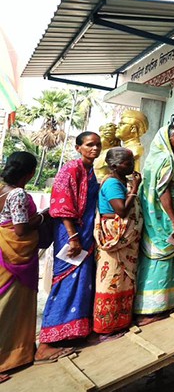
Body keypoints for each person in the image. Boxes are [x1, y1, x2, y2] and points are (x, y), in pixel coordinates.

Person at [38, 132, 102, 352]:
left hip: (85, 233)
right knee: (64, 281)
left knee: (83, 281)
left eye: (97, 145)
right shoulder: (70, 169)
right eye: (89, 145)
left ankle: (75, 332)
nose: (95, 149)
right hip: (71, 233)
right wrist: (73, 236)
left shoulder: (91, 172)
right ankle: (48, 341)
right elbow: (62, 203)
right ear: (78, 148)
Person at [0, 152, 58, 378]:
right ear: (31, 172)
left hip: (5, 251)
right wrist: (44, 215)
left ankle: (17, 354)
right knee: (10, 308)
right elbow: (21, 228)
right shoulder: (18, 194)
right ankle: (8, 358)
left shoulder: (2, 190)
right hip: (16, 258)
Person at [133, 125, 174, 324]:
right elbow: (163, 190)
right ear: (167, 139)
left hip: (163, 216)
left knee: (168, 259)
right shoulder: (166, 160)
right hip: (164, 219)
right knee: (160, 258)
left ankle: (164, 303)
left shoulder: (163, 158)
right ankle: (151, 310)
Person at [93, 147, 143, 338]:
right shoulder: (113, 183)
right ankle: (105, 327)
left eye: (131, 162)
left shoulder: (121, 181)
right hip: (114, 236)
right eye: (127, 163)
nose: (131, 166)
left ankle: (120, 321)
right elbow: (121, 211)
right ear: (114, 165)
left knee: (123, 280)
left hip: (124, 237)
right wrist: (136, 188)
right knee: (111, 278)